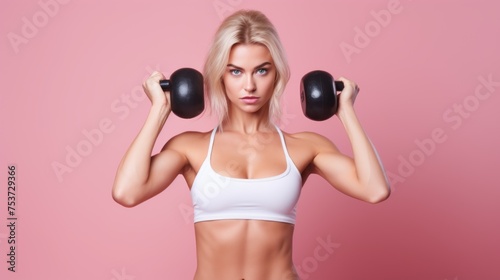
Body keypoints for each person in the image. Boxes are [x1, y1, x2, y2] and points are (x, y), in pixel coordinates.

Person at [112, 9, 390, 280]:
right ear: (219, 74)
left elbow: (374, 189)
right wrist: (159, 109)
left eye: (261, 71)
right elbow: (127, 192)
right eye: (235, 71)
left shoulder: (305, 147)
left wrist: (346, 112)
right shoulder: (190, 148)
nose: (249, 86)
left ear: (278, 74)